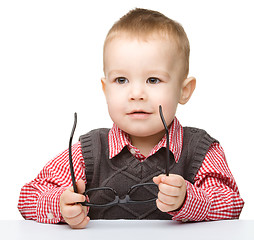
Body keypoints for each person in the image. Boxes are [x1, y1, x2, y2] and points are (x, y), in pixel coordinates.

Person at [18, 8, 244, 229]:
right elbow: (28, 197)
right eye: (121, 80)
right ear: (106, 90)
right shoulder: (87, 153)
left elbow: (232, 204)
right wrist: (60, 204)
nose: (136, 94)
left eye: (153, 80)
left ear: (184, 90)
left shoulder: (201, 150)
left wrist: (189, 200)